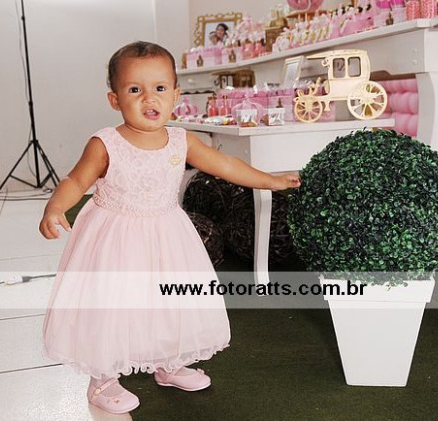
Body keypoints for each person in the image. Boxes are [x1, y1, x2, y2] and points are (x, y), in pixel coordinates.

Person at [39, 41, 300, 415]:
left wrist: (269, 180)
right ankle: (103, 378)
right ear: (114, 99)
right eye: (135, 89)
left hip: (167, 235)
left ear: (176, 95)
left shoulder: (181, 140)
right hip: (116, 240)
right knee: (115, 307)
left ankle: (170, 362)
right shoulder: (105, 143)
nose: (149, 98)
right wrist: (56, 207)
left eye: (160, 88)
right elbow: (76, 181)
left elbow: (226, 166)